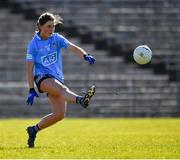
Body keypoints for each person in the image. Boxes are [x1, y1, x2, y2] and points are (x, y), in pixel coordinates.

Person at [26, 12, 96, 148]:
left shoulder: (56, 39)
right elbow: (29, 68)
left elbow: (73, 48)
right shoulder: (33, 45)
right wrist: (31, 88)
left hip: (57, 78)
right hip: (42, 78)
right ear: (40, 26)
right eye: (48, 26)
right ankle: (81, 100)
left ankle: (33, 130)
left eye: (53, 26)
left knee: (59, 114)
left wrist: (85, 55)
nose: (51, 29)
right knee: (62, 90)